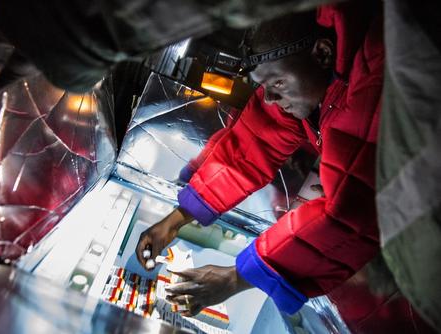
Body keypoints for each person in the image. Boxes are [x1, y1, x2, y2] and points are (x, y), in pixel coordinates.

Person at [136, 1, 384, 316]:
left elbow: (350, 209)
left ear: (322, 54)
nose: (269, 98)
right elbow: (253, 143)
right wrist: (176, 219)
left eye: (276, 84)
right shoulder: (314, 78)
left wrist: (235, 277)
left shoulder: (375, 77)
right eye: (263, 87)